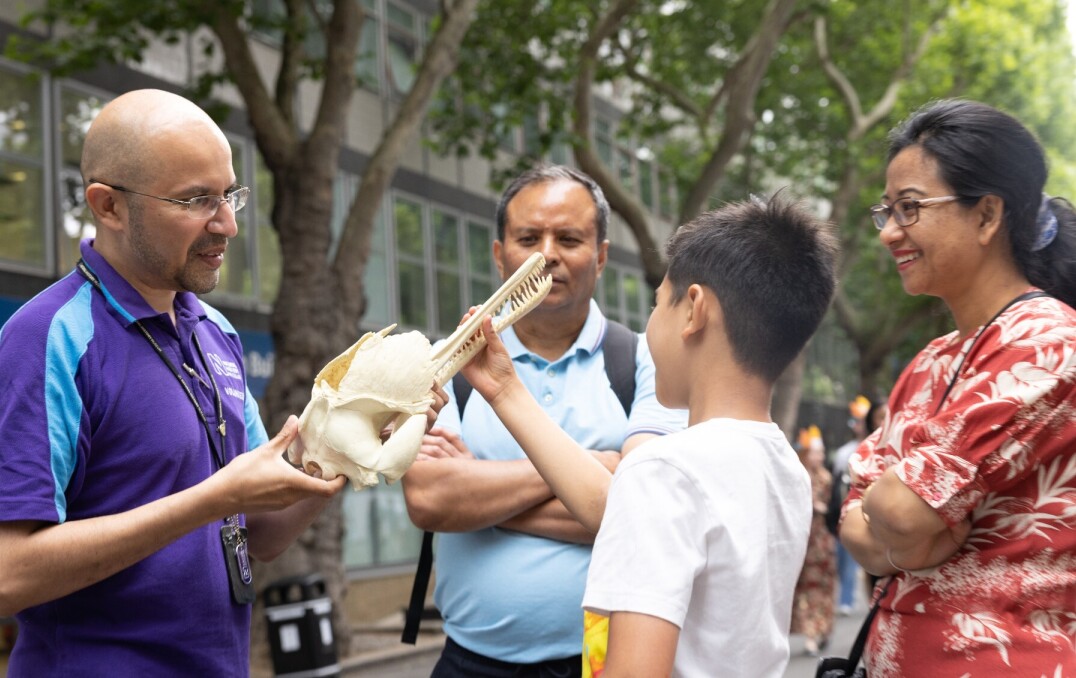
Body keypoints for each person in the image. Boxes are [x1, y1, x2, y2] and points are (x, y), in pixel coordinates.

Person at [0, 89, 355, 676]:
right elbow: (9, 575)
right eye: (196, 201)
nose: (228, 225)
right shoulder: (47, 336)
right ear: (108, 206)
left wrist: (351, 448)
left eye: (229, 194)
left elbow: (260, 535)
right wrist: (214, 499)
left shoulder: (216, 331)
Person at [457, 195, 840, 677]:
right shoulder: (786, 467)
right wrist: (506, 390)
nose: (648, 325)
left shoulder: (663, 471)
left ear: (694, 309)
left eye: (658, 303)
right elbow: (613, 501)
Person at [401, 165, 687, 677]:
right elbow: (429, 499)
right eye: (529, 237)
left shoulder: (648, 362)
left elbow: (641, 513)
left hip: (600, 663)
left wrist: (478, 496)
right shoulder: (450, 362)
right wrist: (598, 469)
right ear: (500, 254)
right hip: (468, 665)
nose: (547, 253)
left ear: (600, 256)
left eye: (569, 238)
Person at [839, 99, 1076, 677]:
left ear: (987, 215)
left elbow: (897, 503)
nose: (890, 232)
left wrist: (897, 523)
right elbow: (854, 520)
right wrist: (906, 546)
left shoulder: (1051, 344)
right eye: (887, 211)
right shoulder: (931, 360)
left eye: (911, 208)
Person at [791, 426, 836, 655]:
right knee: (805, 589)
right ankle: (810, 635)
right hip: (802, 540)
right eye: (815, 452)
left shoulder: (827, 478)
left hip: (823, 542)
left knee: (824, 587)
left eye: (822, 452)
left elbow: (834, 508)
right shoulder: (797, 477)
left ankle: (823, 630)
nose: (819, 457)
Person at [826, 397, 871, 615]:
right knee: (846, 556)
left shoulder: (882, 447)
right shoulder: (845, 453)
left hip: (874, 510)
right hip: (850, 509)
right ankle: (846, 598)